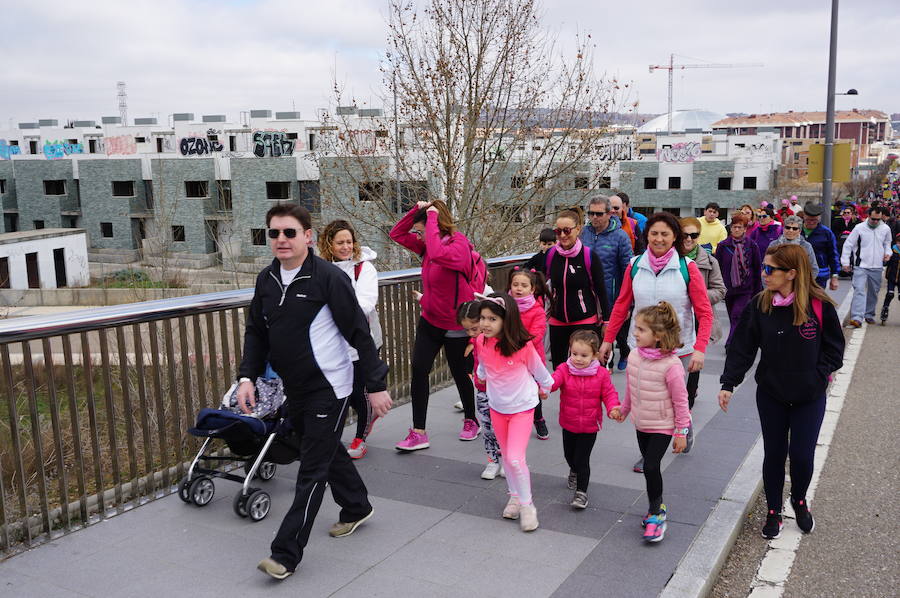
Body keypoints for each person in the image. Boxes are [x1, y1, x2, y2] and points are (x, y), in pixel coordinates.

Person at [237, 204, 393, 581]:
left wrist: (375, 386)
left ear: (308, 236)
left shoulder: (327, 278)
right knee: (322, 448)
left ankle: (285, 554)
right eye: (274, 233)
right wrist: (247, 377)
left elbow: (359, 331)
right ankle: (356, 505)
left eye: (289, 232)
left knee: (312, 469)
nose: (281, 240)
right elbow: (257, 332)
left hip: (332, 387)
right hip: (295, 387)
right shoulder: (267, 280)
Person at [719, 244, 845, 540]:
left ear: (791, 273)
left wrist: (818, 376)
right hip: (772, 394)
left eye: (769, 269)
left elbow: (834, 349)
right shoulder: (760, 304)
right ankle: (773, 510)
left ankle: (798, 500)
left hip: (809, 396)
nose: (763, 274)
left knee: (801, 455)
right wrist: (729, 383)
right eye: (763, 267)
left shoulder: (818, 305)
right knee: (774, 454)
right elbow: (742, 348)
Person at [600, 212, 713, 471]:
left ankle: (680, 428)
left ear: (674, 237)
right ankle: (650, 453)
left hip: (679, 349)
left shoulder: (688, 268)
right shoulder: (635, 265)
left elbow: (704, 312)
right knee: (645, 399)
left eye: (665, 234)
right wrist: (608, 340)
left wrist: (700, 349)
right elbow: (621, 305)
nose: (659, 239)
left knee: (671, 397)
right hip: (640, 346)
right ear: (646, 236)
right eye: (654, 233)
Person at [390, 199, 481, 450]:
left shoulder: (458, 244)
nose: (417, 236)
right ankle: (419, 432)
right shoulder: (427, 246)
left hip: (455, 323)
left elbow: (440, 254)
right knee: (419, 370)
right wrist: (415, 210)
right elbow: (396, 233)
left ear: (436, 224)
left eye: (420, 231)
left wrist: (430, 218)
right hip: (430, 320)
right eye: (418, 232)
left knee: (459, 372)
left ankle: (472, 420)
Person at [474, 293, 555, 532]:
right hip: (497, 406)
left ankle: (528, 506)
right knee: (506, 454)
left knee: (514, 458)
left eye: (492, 319)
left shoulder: (522, 346)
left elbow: (540, 372)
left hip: (522, 407)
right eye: (483, 318)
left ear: (505, 320)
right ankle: (514, 496)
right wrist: (479, 375)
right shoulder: (481, 341)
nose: (485, 324)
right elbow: (483, 364)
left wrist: (546, 387)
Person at [613, 302, 690, 543]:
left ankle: (656, 514)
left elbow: (681, 402)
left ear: (658, 336)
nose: (634, 333)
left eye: (641, 329)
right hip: (641, 422)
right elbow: (631, 389)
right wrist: (624, 411)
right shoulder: (635, 356)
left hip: (663, 425)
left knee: (650, 466)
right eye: (635, 328)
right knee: (649, 468)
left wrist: (681, 432)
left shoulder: (672, 366)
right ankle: (656, 506)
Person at [317, 220, 383, 459]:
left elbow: (365, 303)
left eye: (349, 241)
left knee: (360, 392)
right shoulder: (320, 268)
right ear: (329, 244)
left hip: (361, 340)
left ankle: (360, 437)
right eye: (340, 242)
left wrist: (334, 308)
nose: (345, 247)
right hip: (331, 343)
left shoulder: (363, 268)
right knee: (334, 392)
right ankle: (331, 437)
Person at [550, 329, 621, 509]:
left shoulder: (601, 374)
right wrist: (543, 388)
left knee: (582, 459)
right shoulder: (564, 369)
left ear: (595, 355)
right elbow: (553, 381)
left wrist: (613, 407)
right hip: (569, 422)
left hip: (590, 425)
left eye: (583, 355)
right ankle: (573, 470)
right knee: (569, 455)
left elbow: (609, 393)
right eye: (574, 354)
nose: (578, 359)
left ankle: (581, 493)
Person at [543, 207, 610, 380]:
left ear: (578, 229)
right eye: (558, 231)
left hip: (584, 320)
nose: (562, 235)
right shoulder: (551, 254)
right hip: (557, 321)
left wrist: (607, 322)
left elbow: (601, 290)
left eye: (567, 230)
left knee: (585, 370)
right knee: (560, 371)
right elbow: (542, 284)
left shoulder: (589, 256)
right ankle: (567, 406)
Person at [679, 217, 726, 448]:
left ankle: (687, 402)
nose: (688, 240)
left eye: (693, 235)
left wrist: (697, 295)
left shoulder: (709, 261)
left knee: (693, 363)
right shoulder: (670, 258)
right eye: (684, 235)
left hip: (699, 317)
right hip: (675, 320)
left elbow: (720, 290)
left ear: (699, 237)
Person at [580, 194, 633, 370]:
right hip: (587, 297)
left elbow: (628, 271)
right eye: (591, 213)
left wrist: (628, 303)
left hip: (611, 297)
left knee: (615, 336)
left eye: (599, 214)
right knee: (590, 341)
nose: (594, 217)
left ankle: (621, 355)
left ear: (609, 213)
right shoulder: (583, 233)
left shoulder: (620, 237)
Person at [457, 300, 504, 479]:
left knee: (504, 428)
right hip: (483, 388)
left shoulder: (501, 340)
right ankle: (492, 461)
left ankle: (507, 459)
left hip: (502, 390)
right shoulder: (477, 340)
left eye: (474, 328)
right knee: (487, 427)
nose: (471, 333)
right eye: (467, 330)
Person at [506, 267, 551, 438]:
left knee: (533, 392)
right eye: (515, 284)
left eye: (523, 285)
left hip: (531, 358)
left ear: (532, 289)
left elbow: (537, 334)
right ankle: (511, 421)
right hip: (508, 356)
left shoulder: (537, 310)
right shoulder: (505, 306)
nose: (518, 288)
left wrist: (517, 344)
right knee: (512, 390)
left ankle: (538, 419)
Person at [841, 206, 893, 327]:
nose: (875, 222)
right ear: (869, 216)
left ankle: (869, 314)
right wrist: (845, 263)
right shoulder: (859, 228)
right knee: (859, 290)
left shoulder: (885, 228)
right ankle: (857, 318)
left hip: (877, 266)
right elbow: (848, 244)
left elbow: (887, 244)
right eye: (873, 219)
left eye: (878, 219)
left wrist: (888, 253)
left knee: (873, 292)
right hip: (861, 265)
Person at [715, 213, 762, 345]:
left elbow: (757, 268)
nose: (736, 230)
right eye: (734, 227)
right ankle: (740, 339)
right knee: (733, 318)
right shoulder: (723, 246)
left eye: (740, 227)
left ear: (745, 229)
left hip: (746, 289)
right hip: (729, 289)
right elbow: (717, 268)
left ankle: (731, 343)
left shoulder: (752, 245)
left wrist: (757, 292)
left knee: (737, 315)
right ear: (730, 228)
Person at [800, 202, 841, 291]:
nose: (811, 223)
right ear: (803, 217)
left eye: (814, 220)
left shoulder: (826, 233)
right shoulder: (795, 230)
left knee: (816, 302)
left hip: (819, 275)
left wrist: (834, 276)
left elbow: (833, 255)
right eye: (808, 220)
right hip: (798, 274)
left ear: (819, 219)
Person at [880, 233, 900, 324]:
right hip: (891, 277)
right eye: (899, 242)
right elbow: (885, 263)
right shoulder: (892, 251)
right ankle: (885, 309)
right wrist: (885, 260)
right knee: (890, 294)